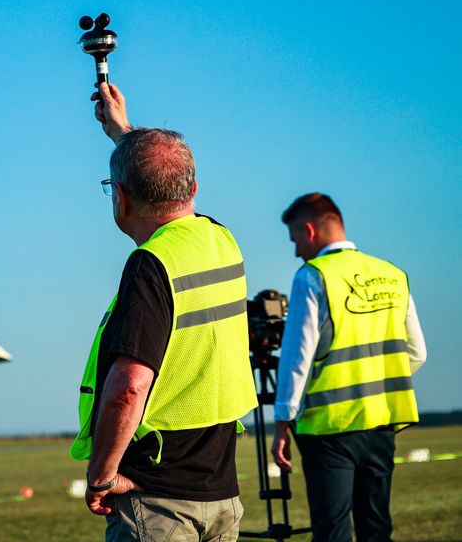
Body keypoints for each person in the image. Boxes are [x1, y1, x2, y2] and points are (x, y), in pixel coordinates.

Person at [71, 82, 258, 541]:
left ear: (121, 198)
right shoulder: (220, 240)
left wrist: (102, 474)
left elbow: (129, 387)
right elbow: (165, 180)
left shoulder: (150, 265)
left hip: (157, 501)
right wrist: (124, 135)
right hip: (220, 492)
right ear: (192, 188)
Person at [271, 193, 427, 542]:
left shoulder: (312, 276)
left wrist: (283, 420)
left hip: (329, 429)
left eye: (295, 239)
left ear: (309, 231)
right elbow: (417, 353)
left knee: (332, 530)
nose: (296, 250)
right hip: (383, 422)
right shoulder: (393, 275)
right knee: (376, 526)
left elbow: (298, 358)